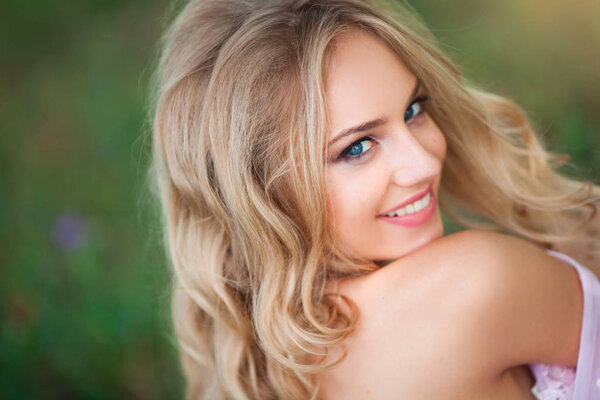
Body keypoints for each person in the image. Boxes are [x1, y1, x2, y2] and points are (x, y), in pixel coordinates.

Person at [149, 0, 600, 398]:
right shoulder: (470, 289)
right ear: (262, 197)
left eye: (414, 109)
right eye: (357, 147)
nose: (424, 163)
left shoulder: (261, 367)